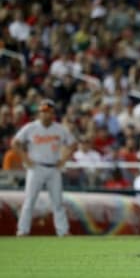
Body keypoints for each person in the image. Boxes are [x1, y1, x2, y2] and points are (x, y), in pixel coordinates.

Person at [12, 99, 76, 236]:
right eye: (44, 112)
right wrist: (25, 158)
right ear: (40, 113)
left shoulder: (59, 129)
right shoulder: (30, 128)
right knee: (29, 200)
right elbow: (15, 143)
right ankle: (22, 231)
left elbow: (72, 144)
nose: (46, 115)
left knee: (58, 202)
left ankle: (63, 231)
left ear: (53, 113)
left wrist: (63, 160)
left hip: (54, 168)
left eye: (49, 112)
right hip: (36, 167)